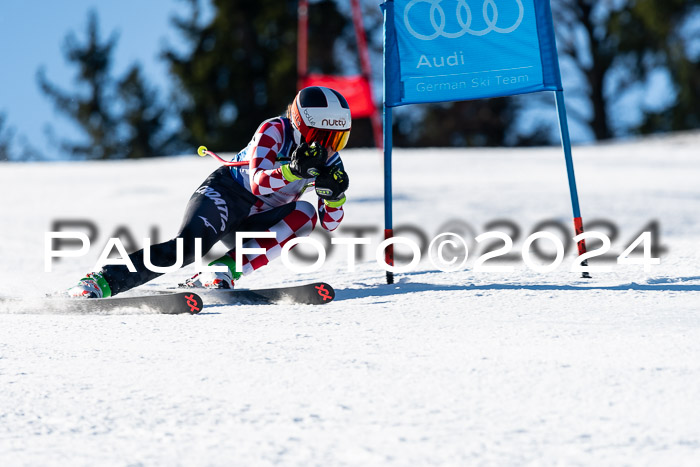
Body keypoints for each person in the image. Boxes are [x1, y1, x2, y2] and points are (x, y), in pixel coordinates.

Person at [67, 86, 351, 298]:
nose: (330, 146)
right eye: (323, 136)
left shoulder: (330, 158)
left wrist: (335, 196)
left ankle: (220, 271)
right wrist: (293, 170)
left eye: (339, 138)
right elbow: (258, 183)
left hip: (259, 219)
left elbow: (329, 223)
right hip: (227, 194)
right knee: (186, 249)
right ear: (301, 125)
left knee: (306, 214)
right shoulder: (274, 131)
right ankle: (101, 281)